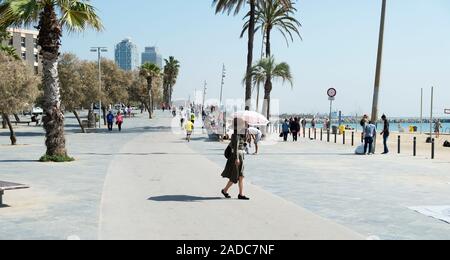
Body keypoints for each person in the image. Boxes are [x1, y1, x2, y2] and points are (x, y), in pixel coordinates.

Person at [221, 133, 250, 200]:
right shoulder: (235, 135)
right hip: (236, 157)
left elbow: (241, 146)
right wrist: (237, 158)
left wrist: (245, 141)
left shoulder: (242, 134)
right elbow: (235, 147)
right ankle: (225, 190)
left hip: (241, 157)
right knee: (235, 176)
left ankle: (240, 194)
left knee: (241, 176)